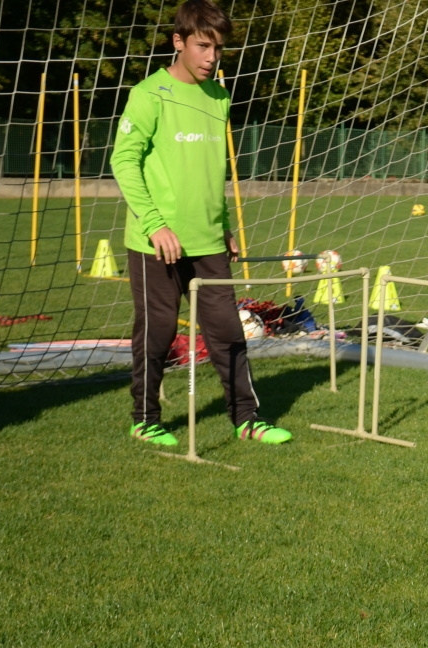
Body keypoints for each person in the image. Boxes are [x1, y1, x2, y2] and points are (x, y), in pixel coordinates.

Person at [110, 0, 292, 446]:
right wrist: (155, 225)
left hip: (208, 241)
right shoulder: (148, 95)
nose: (211, 58)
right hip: (157, 243)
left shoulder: (219, 96)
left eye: (218, 49)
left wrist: (224, 224)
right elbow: (123, 161)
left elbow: (213, 170)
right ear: (179, 42)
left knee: (228, 333)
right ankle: (145, 419)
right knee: (157, 334)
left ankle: (247, 419)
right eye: (203, 46)